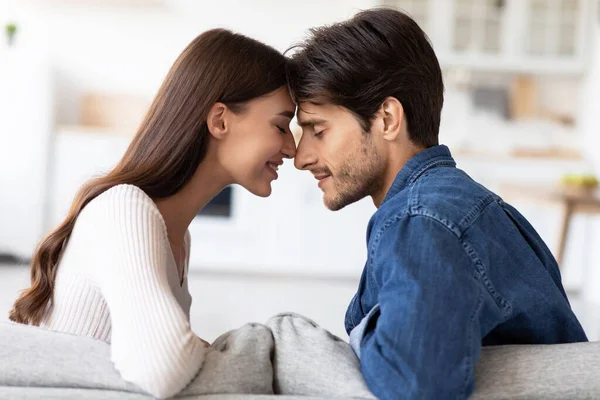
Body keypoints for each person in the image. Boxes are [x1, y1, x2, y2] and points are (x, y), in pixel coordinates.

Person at [286, 8, 588, 400]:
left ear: (388, 119)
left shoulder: (422, 219)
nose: (301, 156)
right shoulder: (461, 204)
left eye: (318, 130)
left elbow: (415, 385)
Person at [9, 29, 296, 399]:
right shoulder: (125, 209)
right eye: (280, 124)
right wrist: (257, 354)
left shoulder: (177, 236)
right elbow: (163, 369)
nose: (291, 147)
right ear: (220, 120)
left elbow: (171, 363)